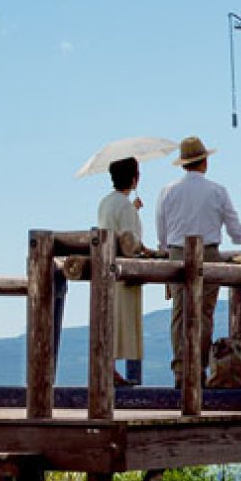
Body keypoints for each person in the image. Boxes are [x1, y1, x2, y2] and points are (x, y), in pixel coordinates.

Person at [156, 136, 241, 388]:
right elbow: (236, 230)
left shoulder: (167, 191)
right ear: (204, 162)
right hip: (209, 255)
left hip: (177, 255)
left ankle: (181, 371)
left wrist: (165, 255)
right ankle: (199, 369)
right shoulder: (217, 191)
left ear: (183, 164)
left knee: (180, 314)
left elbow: (162, 233)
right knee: (204, 314)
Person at [97, 156, 151, 386]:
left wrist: (133, 209)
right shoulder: (125, 206)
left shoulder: (106, 202)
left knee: (111, 319)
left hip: (105, 265)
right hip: (123, 268)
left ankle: (110, 371)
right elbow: (131, 240)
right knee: (123, 323)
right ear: (134, 178)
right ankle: (115, 373)